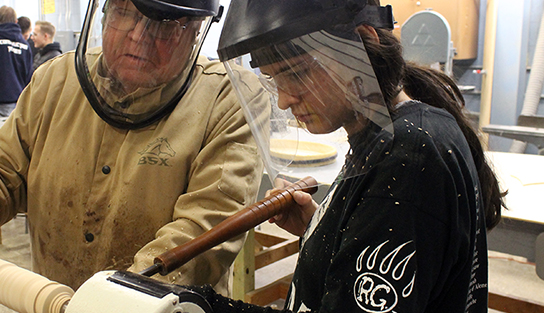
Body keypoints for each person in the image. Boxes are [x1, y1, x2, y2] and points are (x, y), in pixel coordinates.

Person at [0, 0, 266, 294]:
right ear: (101, 15)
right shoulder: (55, 80)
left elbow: (207, 225)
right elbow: (0, 168)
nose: (139, 35)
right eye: (124, 12)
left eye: (165, 25)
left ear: (196, 29)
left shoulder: (230, 99)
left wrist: (120, 297)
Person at [183, 0, 505, 312]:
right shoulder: (391, 136)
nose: (283, 100)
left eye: (296, 73)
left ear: (363, 42)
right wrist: (323, 229)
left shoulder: (409, 156)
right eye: (273, 79)